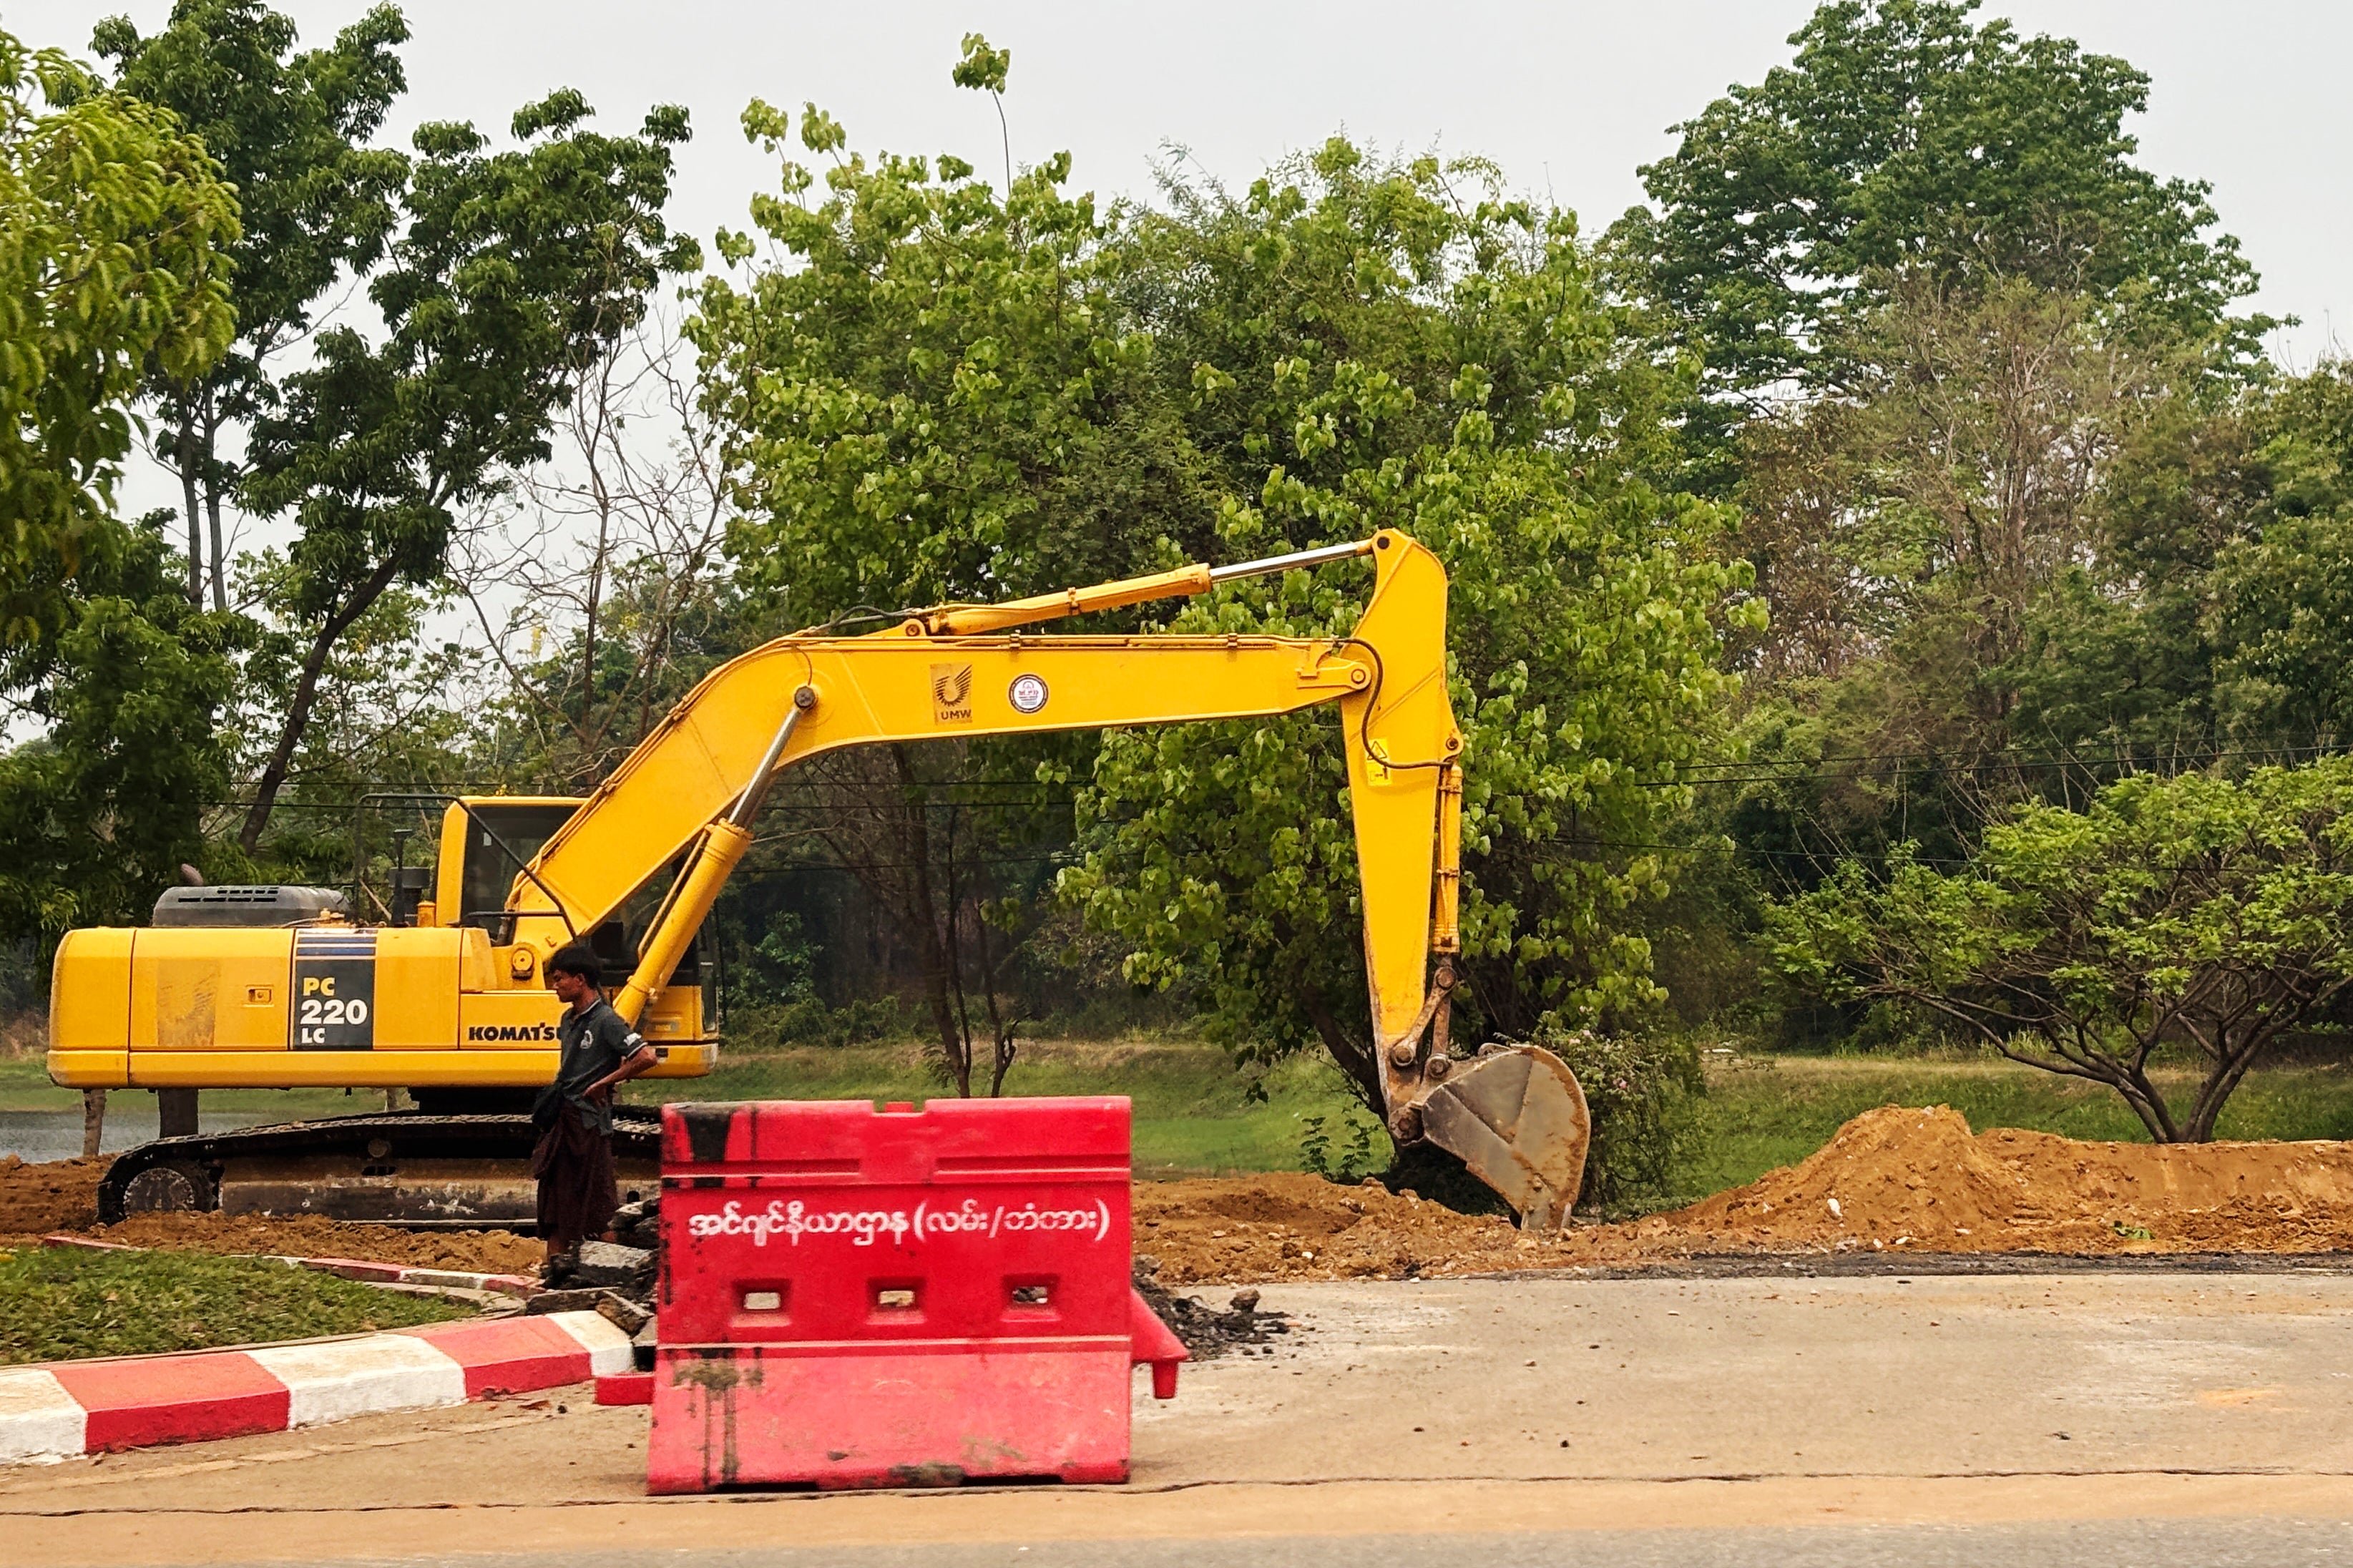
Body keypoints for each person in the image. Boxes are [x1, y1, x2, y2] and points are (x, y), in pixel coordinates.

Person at [533, 944, 657, 1273]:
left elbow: (646, 1057)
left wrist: (606, 1082)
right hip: (563, 1121)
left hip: (588, 1125)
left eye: (560, 979)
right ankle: (555, 1274)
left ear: (580, 979)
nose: (555, 985)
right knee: (556, 1206)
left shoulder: (606, 1021)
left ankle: (615, 1273)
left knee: (598, 1205)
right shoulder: (568, 1020)